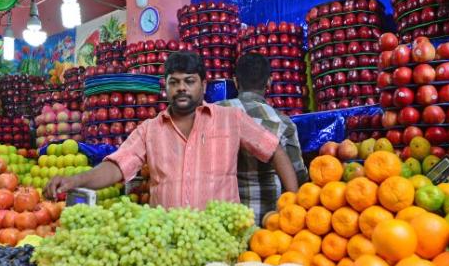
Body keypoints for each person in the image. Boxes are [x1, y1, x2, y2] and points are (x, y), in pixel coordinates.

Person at [44, 51, 299, 209]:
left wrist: (294, 202)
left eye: (189, 81)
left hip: (220, 240)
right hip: (167, 244)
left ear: (203, 85)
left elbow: (273, 149)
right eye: (174, 82)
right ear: (164, 86)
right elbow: (117, 167)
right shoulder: (149, 130)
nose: (181, 88)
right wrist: (75, 180)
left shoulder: (230, 119)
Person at [218, 53, 308, 222]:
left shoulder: (217, 112)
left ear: (236, 82)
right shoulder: (283, 123)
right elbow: (298, 175)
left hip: (226, 219)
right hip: (269, 221)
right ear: (269, 82)